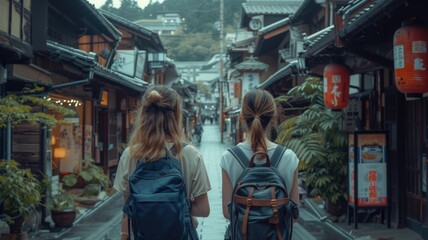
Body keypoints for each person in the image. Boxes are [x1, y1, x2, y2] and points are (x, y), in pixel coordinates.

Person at [113, 85, 211, 240]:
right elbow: (204, 209)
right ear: (177, 114)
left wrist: (124, 236)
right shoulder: (190, 154)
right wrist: (180, 203)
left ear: (144, 114)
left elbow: (127, 211)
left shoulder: (130, 154)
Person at [220, 88, 300, 221]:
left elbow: (228, 213)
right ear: (273, 118)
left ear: (242, 118)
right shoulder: (289, 157)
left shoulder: (229, 157)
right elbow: (294, 216)